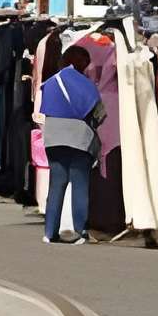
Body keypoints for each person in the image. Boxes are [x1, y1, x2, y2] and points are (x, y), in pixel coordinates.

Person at [37, 43, 105, 245]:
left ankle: (50, 232)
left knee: (56, 184)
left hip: (53, 137)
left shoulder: (51, 82)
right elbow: (99, 113)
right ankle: (80, 231)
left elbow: (44, 110)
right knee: (80, 184)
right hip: (78, 137)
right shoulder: (86, 84)